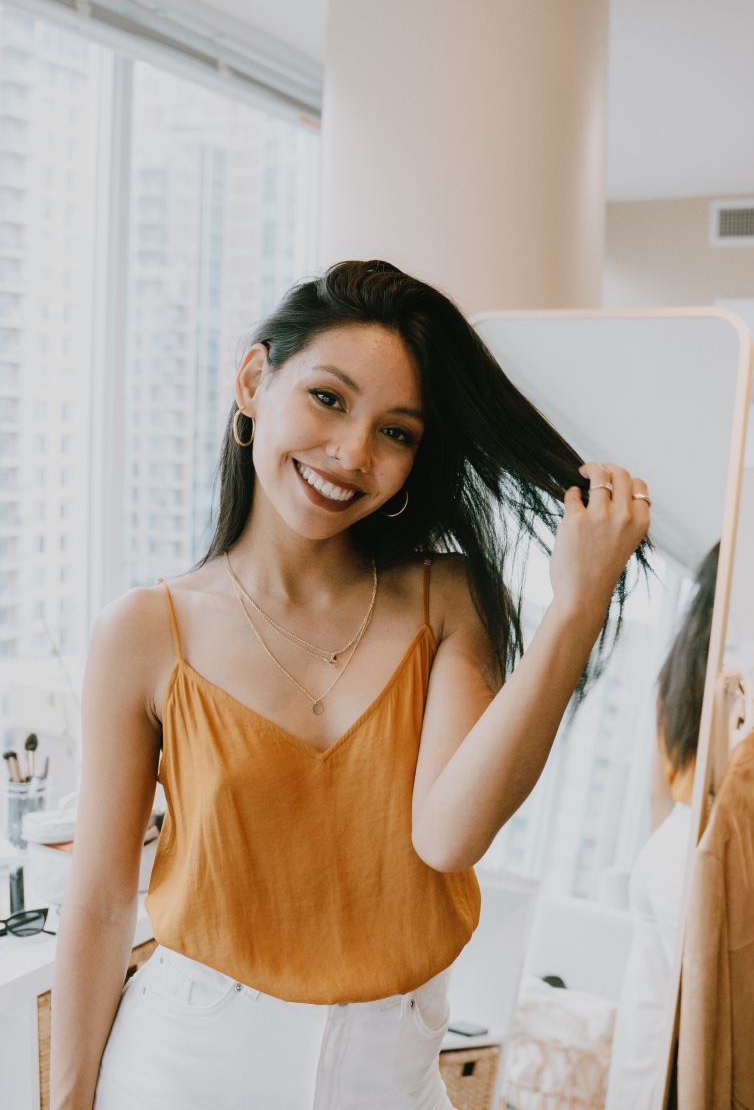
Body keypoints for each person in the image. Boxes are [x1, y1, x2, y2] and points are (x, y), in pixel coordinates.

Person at [50, 260, 651, 1110]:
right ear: (255, 380)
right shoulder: (145, 632)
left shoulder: (448, 598)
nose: (352, 454)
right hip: (187, 1060)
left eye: (396, 432)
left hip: (390, 1071)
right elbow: (103, 905)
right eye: (328, 398)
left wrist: (576, 607)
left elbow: (448, 836)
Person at [605, 542, 720, 1110]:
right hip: (704, 843)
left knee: (648, 1031)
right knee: (702, 1037)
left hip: (668, 842)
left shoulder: (680, 668)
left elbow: (657, 792)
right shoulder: (741, 669)